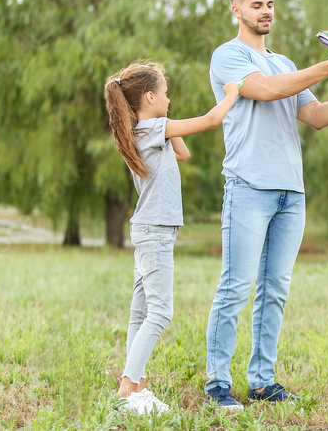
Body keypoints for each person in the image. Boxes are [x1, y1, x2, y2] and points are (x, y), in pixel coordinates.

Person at [204, 0, 328, 406]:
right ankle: (217, 383)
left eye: (270, 4)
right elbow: (266, 91)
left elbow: (311, 115)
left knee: (274, 288)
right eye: (256, 5)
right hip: (248, 188)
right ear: (236, 10)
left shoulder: (288, 63)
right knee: (236, 287)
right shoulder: (228, 56)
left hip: (290, 194)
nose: (266, 11)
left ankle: (261, 381)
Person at [104, 60, 241, 414]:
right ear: (149, 97)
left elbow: (183, 152)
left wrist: (165, 117)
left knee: (141, 312)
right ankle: (127, 391)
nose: (170, 98)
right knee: (161, 311)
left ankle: (137, 387)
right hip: (155, 232)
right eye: (165, 93)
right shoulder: (151, 129)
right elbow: (212, 120)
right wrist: (232, 93)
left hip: (149, 230)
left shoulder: (148, 129)